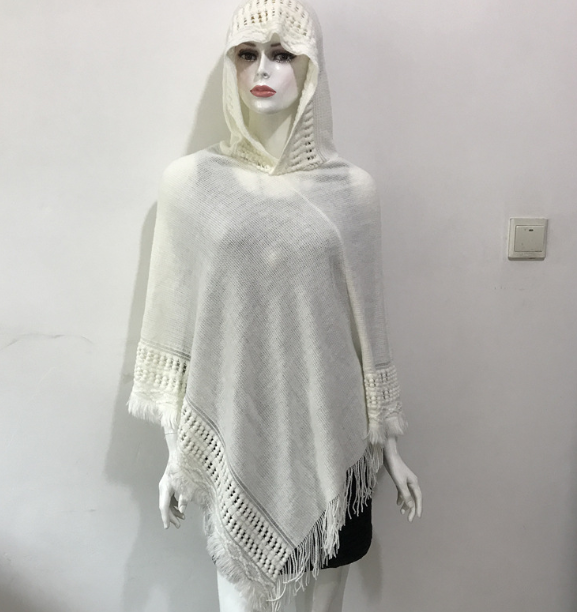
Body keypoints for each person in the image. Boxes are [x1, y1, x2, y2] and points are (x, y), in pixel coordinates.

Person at [128, 1, 422, 611]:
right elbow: (174, 326)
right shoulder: (191, 184)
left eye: (282, 53)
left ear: (311, 67)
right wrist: (177, 456)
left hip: (337, 447)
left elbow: (368, 328)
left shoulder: (353, 191)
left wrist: (389, 446)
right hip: (237, 437)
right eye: (247, 54)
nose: (262, 68)